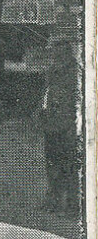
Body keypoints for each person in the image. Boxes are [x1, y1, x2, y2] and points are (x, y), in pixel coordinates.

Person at [41, 36, 84, 216]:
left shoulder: (76, 72)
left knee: (70, 166)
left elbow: (79, 99)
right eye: (53, 50)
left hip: (68, 125)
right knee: (53, 164)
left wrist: (79, 122)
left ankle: (73, 205)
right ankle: (54, 200)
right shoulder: (52, 70)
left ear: (67, 51)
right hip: (51, 123)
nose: (55, 54)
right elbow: (47, 92)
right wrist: (41, 111)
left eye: (59, 50)